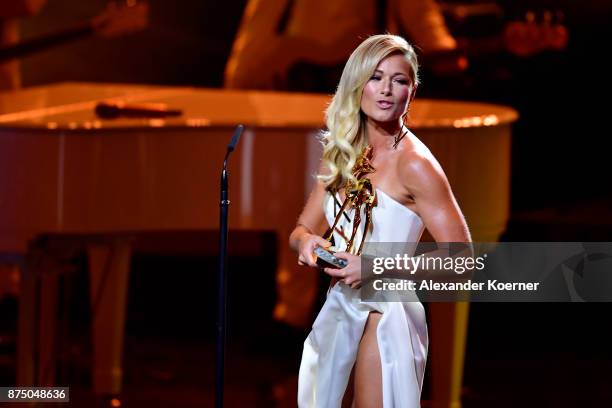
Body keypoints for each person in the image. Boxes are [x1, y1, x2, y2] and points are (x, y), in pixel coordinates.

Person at [289, 34, 471, 407]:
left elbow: (462, 259)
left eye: (399, 80)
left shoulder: (416, 166)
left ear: (412, 91)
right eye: (376, 77)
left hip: (386, 310)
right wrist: (307, 243)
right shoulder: (342, 149)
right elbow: (301, 230)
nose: (386, 90)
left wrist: (375, 267)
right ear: (357, 84)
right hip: (340, 304)